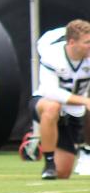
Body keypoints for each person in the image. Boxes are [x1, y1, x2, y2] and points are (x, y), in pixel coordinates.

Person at [31, 19, 90, 180]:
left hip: (72, 114)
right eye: (87, 42)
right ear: (71, 42)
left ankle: (86, 150)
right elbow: (51, 91)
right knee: (52, 107)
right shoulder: (53, 55)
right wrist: (85, 101)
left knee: (63, 173)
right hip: (45, 102)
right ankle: (49, 163)